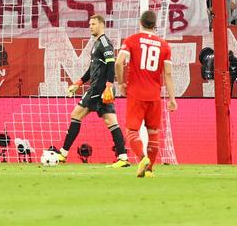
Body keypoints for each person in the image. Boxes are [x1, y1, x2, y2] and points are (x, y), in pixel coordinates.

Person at [53, 14, 129, 168]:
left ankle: (63, 153)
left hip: (98, 89)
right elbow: (92, 68)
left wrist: (108, 85)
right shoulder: (96, 44)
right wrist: (79, 82)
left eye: (93, 24)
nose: (90, 26)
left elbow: (111, 65)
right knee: (111, 121)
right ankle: (123, 158)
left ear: (101, 25)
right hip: (99, 88)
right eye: (90, 24)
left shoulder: (105, 43)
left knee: (76, 115)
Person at [115, 10, 176, 178]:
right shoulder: (164, 45)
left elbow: (119, 62)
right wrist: (172, 99)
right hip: (154, 95)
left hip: (136, 92)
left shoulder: (132, 40)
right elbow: (168, 74)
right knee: (153, 133)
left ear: (140, 23)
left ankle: (143, 159)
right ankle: (149, 171)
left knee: (132, 131)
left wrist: (120, 83)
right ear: (155, 25)